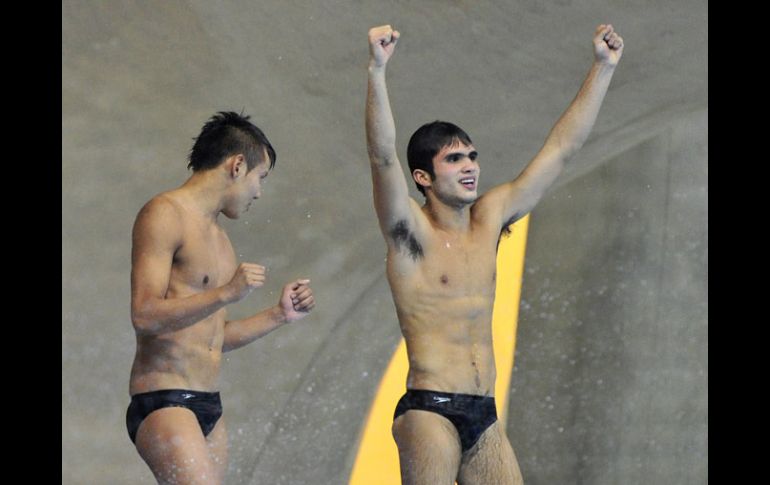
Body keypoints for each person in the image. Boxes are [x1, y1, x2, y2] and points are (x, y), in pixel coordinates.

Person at [365, 23, 624, 485]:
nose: (471, 167)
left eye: (472, 156)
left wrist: (602, 69)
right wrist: (377, 71)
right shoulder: (410, 231)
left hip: (484, 414)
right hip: (430, 408)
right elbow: (383, 158)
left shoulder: (490, 218)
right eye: (455, 159)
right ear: (423, 177)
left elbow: (562, 149)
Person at [126, 111, 316, 484]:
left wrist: (278, 315)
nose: (258, 192)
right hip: (164, 400)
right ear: (237, 165)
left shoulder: (221, 241)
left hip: (209, 406)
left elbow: (212, 336)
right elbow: (145, 315)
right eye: (259, 178)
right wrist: (226, 292)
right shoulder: (164, 214)